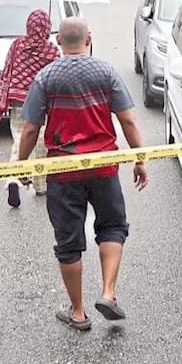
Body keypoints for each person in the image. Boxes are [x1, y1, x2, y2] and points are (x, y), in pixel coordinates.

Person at [17, 17, 148, 331]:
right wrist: (140, 159)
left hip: (63, 173)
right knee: (113, 226)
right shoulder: (106, 72)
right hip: (104, 168)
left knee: (69, 242)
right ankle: (108, 293)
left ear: (59, 41)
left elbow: (31, 127)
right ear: (88, 40)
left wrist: (22, 164)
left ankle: (78, 312)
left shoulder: (45, 77)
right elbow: (128, 121)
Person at [0, 10, 60, 207]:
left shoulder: (18, 44)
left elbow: (8, 70)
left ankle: (13, 178)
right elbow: (55, 79)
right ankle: (40, 185)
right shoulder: (51, 50)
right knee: (40, 143)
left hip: (19, 101)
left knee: (20, 139)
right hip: (42, 103)